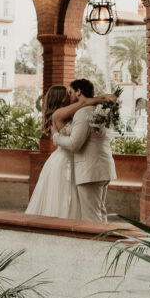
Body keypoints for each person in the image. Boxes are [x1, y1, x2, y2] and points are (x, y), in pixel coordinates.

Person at [25, 83, 116, 220]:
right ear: (61, 98)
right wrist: (103, 98)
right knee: (68, 201)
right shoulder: (59, 114)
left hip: (76, 160)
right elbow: (84, 102)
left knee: (89, 206)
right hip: (65, 160)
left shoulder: (70, 114)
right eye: (68, 94)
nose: (71, 96)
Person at [52, 78, 117, 223]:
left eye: (71, 92)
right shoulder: (99, 110)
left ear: (79, 92)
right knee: (100, 211)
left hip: (90, 171)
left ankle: (94, 246)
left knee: (91, 217)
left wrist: (56, 137)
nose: (69, 96)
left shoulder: (83, 112)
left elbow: (75, 144)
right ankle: (104, 244)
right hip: (102, 168)